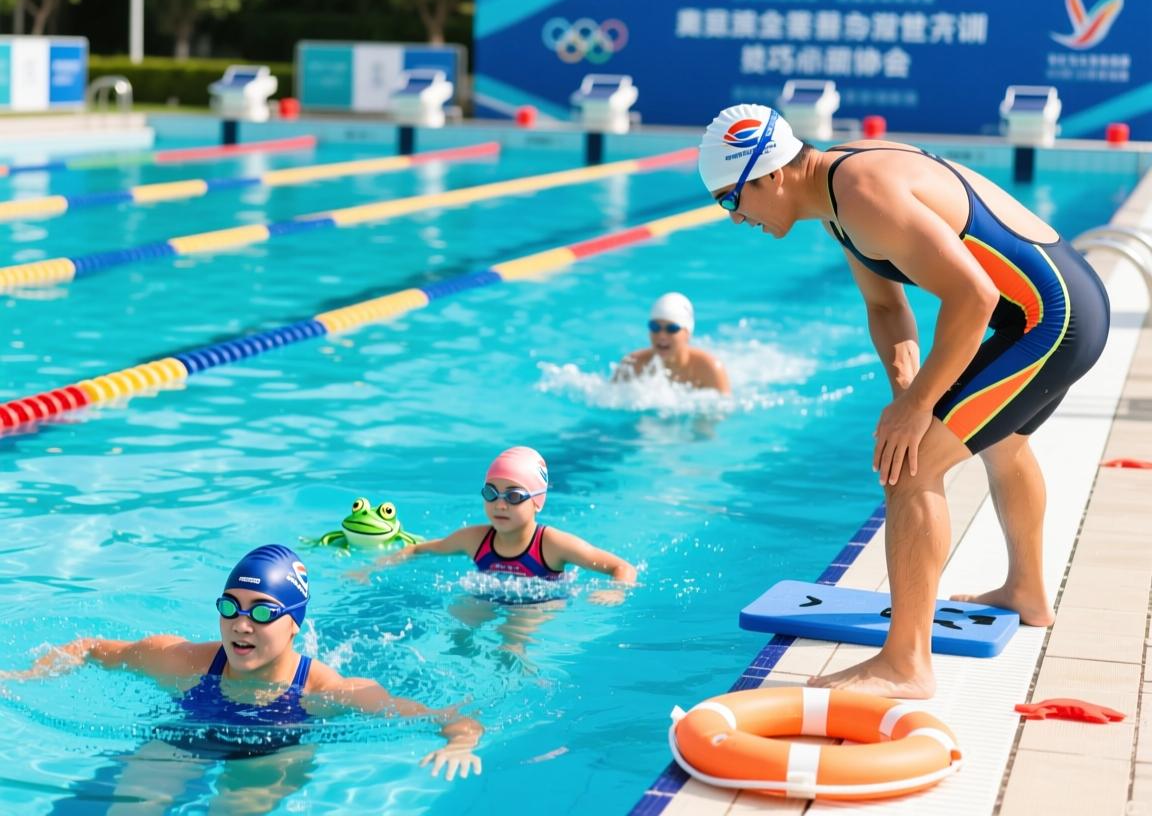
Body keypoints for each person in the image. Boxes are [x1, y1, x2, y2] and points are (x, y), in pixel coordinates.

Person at [697, 104, 1110, 698]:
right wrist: (906, 389)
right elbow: (886, 306)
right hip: (1055, 307)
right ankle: (1027, 592)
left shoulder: (863, 194)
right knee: (1001, 444)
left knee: (909, 469)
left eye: (729, 199)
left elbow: (974, 297)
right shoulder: (836, 193)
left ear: (769, 175)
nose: (735, 217)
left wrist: (919, 410)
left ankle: (906, 664)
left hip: (1052, 321)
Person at [2, 545, 483, 788]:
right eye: (231, 606)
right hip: (191, 729)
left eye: (262, 611)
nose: (241, 624)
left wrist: (461, 743)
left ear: (294, 624)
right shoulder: (184, 661)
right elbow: (89, 647)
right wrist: (26, 677)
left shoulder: (326, 690)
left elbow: (452, 719)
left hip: (278, 748)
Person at [369, 446, 637, 607]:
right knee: (461, 617)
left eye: (514, 496)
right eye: (491, 493)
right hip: (490, 594)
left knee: (514, 637)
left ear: (537, 502)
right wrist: (375, 567)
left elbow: (622, 568)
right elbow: (419, 549)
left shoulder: (553, 544)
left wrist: (616, 590)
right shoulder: (474, 539)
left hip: (541, 602)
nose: (500, 504)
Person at [614, 292, 731, 393]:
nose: (662, 335)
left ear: (687, 333)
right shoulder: (632, 365)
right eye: (655, 327)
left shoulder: (710, 370)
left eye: (671, 329)